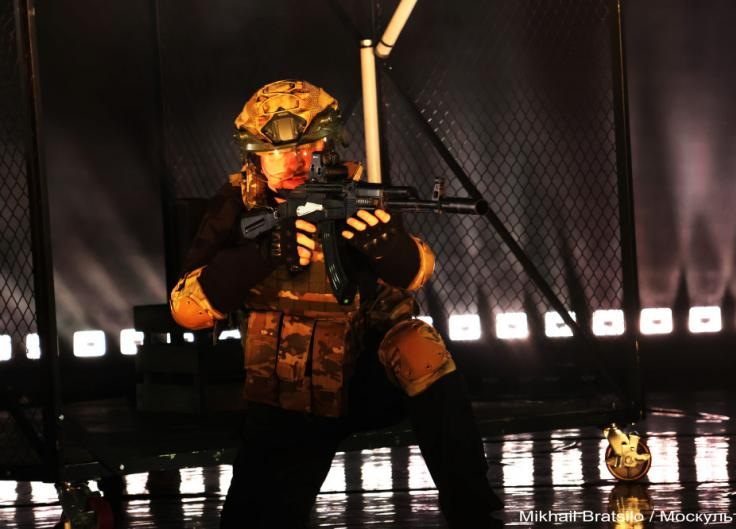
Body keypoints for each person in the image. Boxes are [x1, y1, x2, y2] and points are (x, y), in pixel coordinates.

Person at [169, 79, 503, 528]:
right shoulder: (236, 207)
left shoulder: (352, 194)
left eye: (307, 147)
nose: (294, 162)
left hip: (362, 379)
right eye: (278, 152)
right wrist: (262, 255)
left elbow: (415, 274)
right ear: (255, 156)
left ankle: (471, 507)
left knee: (419, 345)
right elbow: (186, 310)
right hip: (288, 396)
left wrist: (389, 246)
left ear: (327, 145)